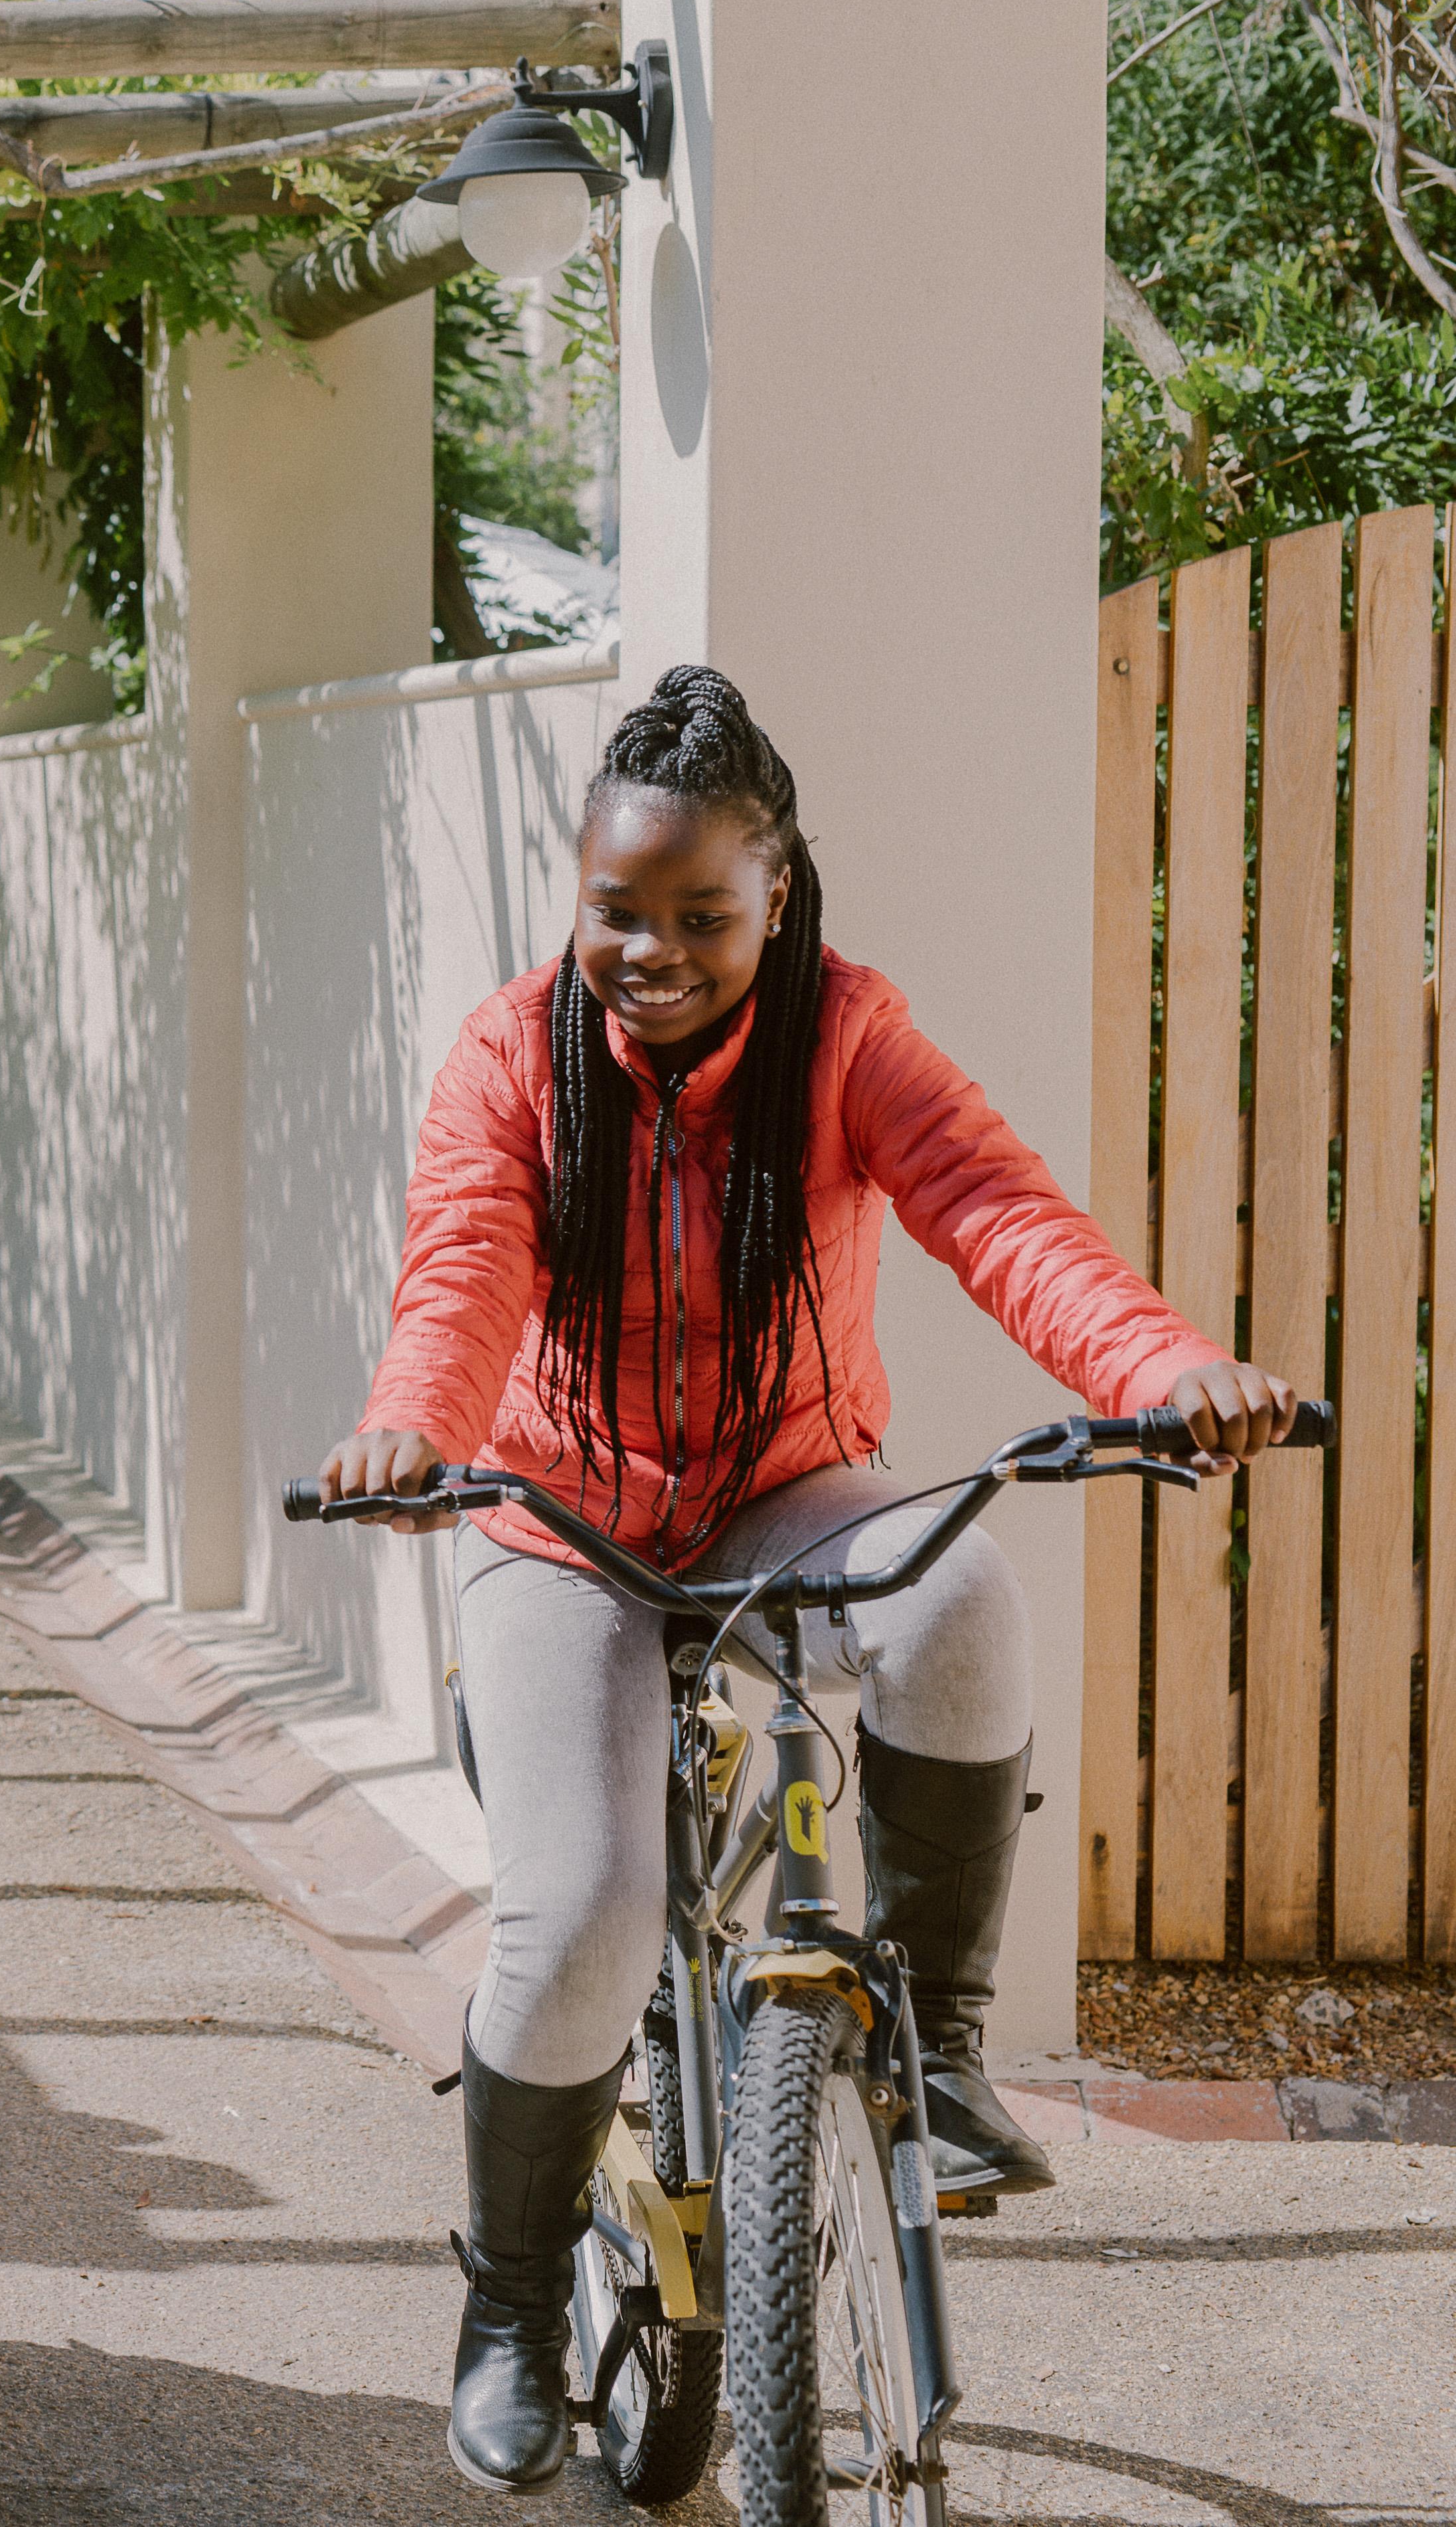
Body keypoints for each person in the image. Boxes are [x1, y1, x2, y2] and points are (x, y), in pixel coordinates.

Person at [307, 665, 1302, 2497]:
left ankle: (930, 2034)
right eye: (621, 910)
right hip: (561, 1522)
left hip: (781, 1486)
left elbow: (999, 1213)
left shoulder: (846, 1034)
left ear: (778, 887)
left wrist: (1160, 1372)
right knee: (591, 1905)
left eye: (702, 912)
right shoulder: (510, 1056)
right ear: (577, 897)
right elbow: (462, 1276)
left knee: (956, 1593)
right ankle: (510, 2295)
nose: (656, 948)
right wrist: (405, 1433)